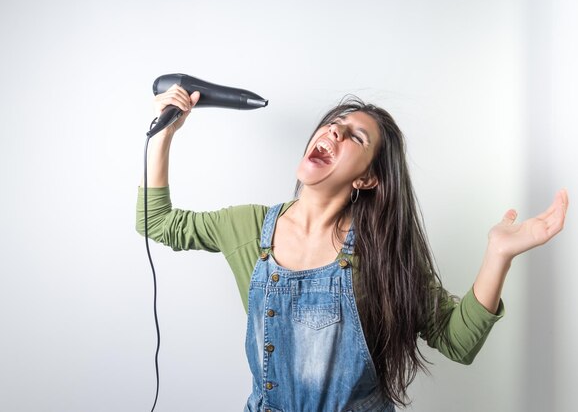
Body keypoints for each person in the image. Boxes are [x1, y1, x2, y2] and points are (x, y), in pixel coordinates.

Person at [136, 85, 568, 412]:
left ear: (367, 179)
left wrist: (499, 254)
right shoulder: (248, 227)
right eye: (333, 124)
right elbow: (156, 223)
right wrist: (165, 134)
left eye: (355, 138)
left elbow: (457, 341)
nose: (334, 131)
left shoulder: (382, 252)